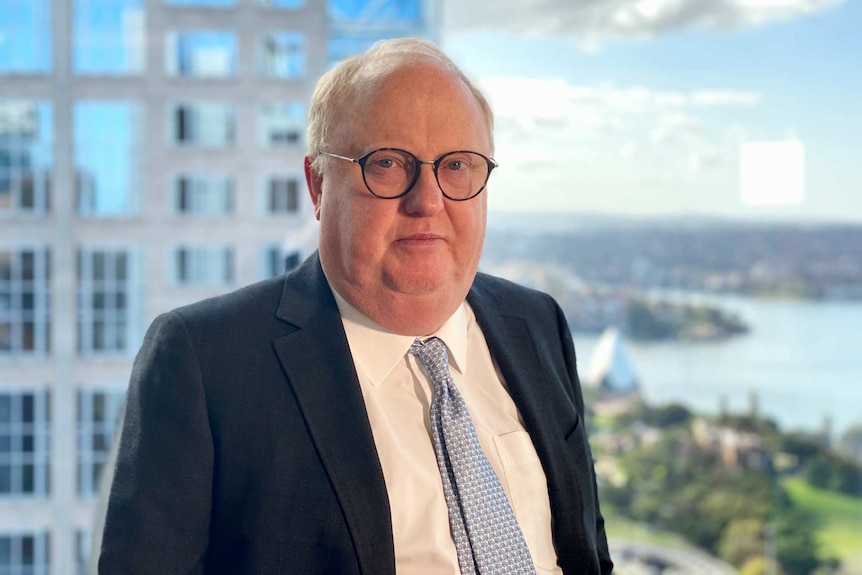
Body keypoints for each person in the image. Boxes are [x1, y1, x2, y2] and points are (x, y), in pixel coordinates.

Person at [98, 38, 613, 575]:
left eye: (457, 165)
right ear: (318, 184)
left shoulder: (537, 324)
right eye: (387, 163)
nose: (428, 201)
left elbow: (586, 551)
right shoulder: (207, 363)